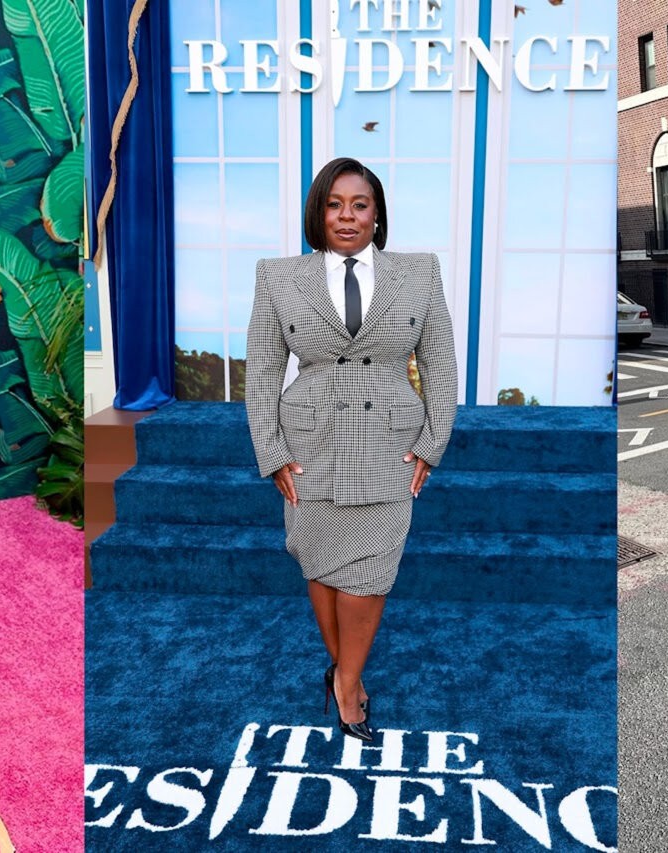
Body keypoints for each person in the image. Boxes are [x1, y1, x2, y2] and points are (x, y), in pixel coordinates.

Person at [245, 157, 458, 742]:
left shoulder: (419, 273)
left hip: (389, 444)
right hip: (309, 443)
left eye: (360, 205)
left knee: (370, 575)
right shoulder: (278, 276)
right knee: (321, 560)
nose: (348, 216)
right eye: (336, 204)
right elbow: (263, 370)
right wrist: (272, 453)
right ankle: (348, 679)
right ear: (319, 213)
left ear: (377, 214)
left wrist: (430, 444)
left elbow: (439, 363)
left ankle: (344, 682)